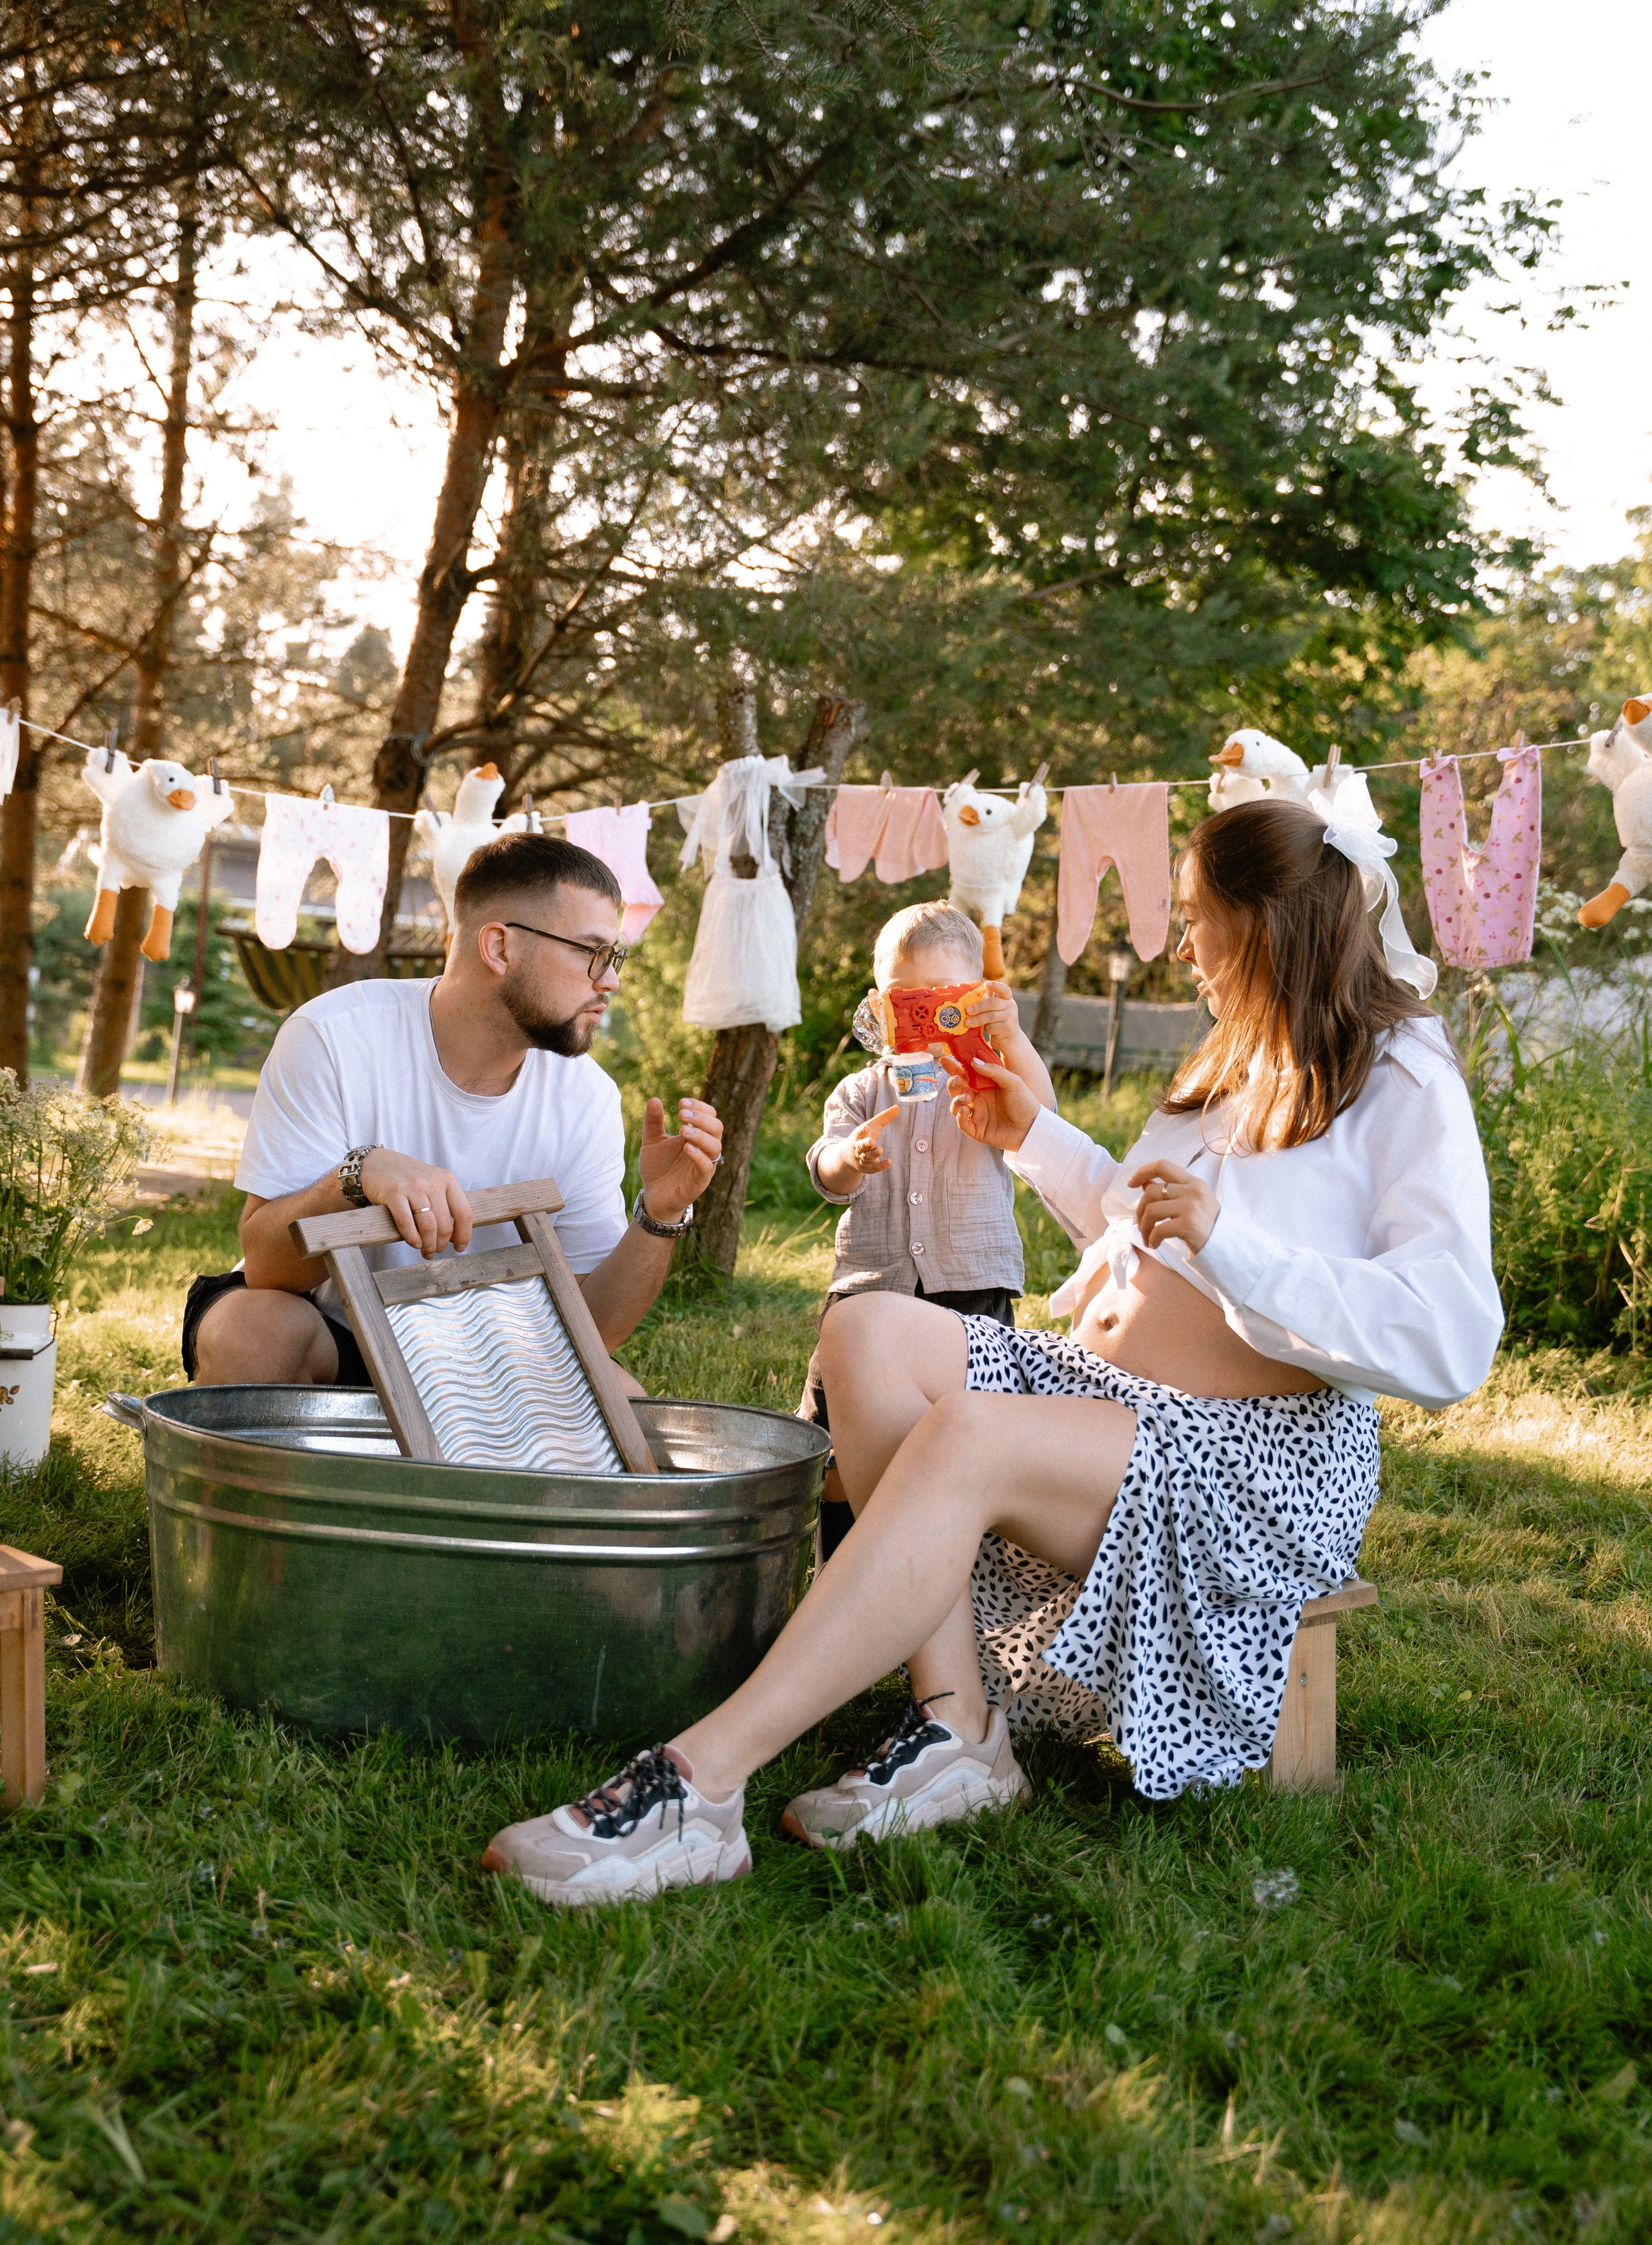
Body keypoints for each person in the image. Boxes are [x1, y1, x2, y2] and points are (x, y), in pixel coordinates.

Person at [481, 798, 1503, 1907]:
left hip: (1254, 1465)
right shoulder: (1232, 1059)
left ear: (1269, 925)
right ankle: (958, 1729)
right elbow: (1142, 1238)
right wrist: (1034, 1140)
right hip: (1115, 1398)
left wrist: (1238, 1248)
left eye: (1201, 918)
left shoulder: (1398, 1070)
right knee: (865, 1328)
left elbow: (1451, 1337)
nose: (1183, 944)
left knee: (967, 1433)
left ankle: (700, 1784)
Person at [183, 831, 723, 1389]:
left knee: (626, 1402)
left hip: (490, 1360)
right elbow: (270, 1267)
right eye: (591, 953)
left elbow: (596, 1333)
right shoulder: (332, 1036)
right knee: (251, 1332)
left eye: (615, 957)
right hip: (333, 1334)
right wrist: (358, 1175)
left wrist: (660, 1212)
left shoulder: (588, 1096)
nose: (610, 979)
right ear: (499, 948)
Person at [801, 901, 1055, 1556]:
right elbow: (825, 1171)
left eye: (937, 1002)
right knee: (835, 1449)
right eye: (900, 1001)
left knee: (964, 1440)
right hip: (868, 1290)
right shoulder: (862, 1091)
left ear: (974, 999)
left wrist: (1014, 1040)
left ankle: (954, 1575)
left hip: (969, 1289)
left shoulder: (992, 1080)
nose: (917, 1017)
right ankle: (842, 1567)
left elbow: (1046, 1125)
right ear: (877, 1002)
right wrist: (849, 1158)